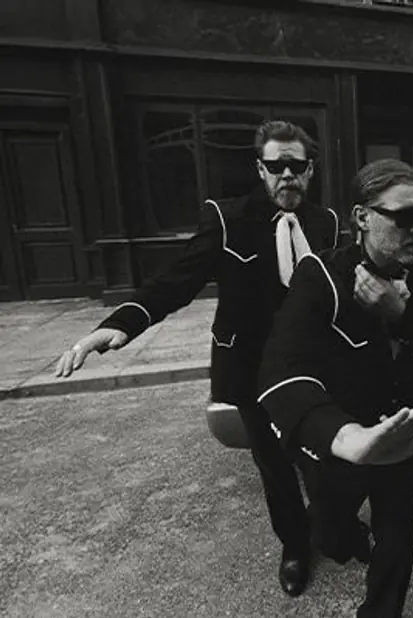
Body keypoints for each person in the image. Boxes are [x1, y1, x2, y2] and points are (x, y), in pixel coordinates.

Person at [53, 120, 353, 597]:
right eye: (276, 165)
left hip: (313, 369)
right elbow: (178, 279)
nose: (287, 175)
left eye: (297, 165)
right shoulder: (227, 219)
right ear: (261, 168)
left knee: (323, 459)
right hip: (252, 372)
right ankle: (295, 548)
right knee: (274, 468)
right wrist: (119, 325)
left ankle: (334, 530)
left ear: (311, 169)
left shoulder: (329, 223)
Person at [257, 158, 413, 618]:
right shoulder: (322, 277)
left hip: (403, 430)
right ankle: (342, 536)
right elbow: (279, 368)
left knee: (398, 539)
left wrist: (403, 316)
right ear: (362, 217)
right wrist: (347, 439)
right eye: (404, 216)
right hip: (342, 443)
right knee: (330, 536)